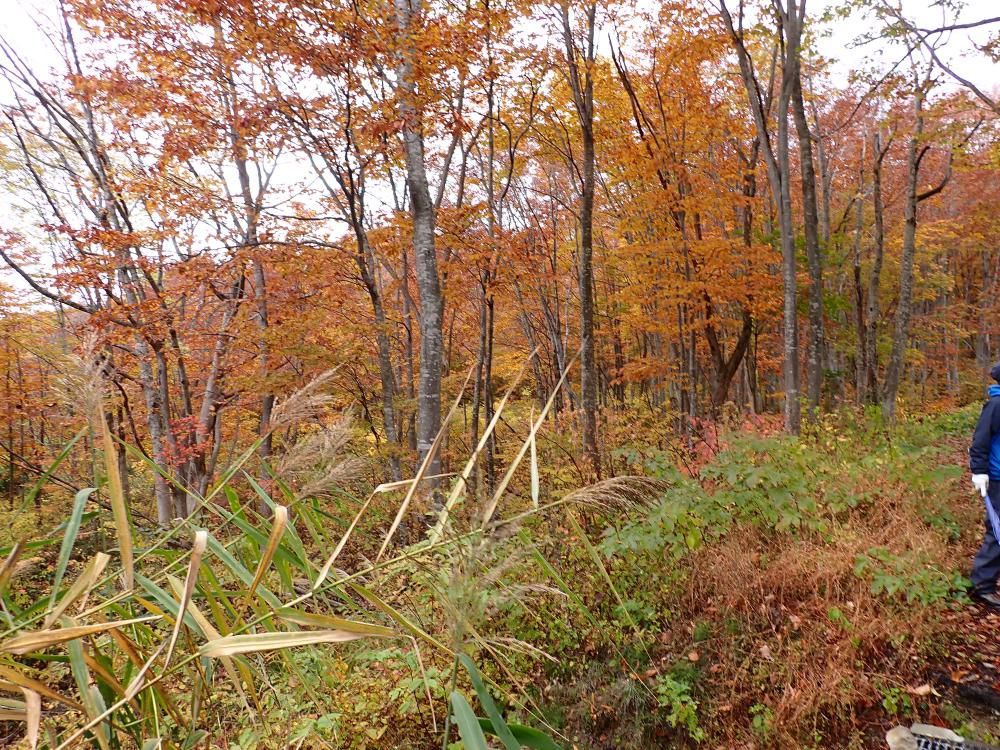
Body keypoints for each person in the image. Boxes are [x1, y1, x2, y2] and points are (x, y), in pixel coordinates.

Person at [968, 362, 1000, 610]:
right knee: (997, 530)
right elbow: (980, 440)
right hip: (997, 478)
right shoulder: (996, 405)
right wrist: (979, 472)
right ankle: (982, 586)